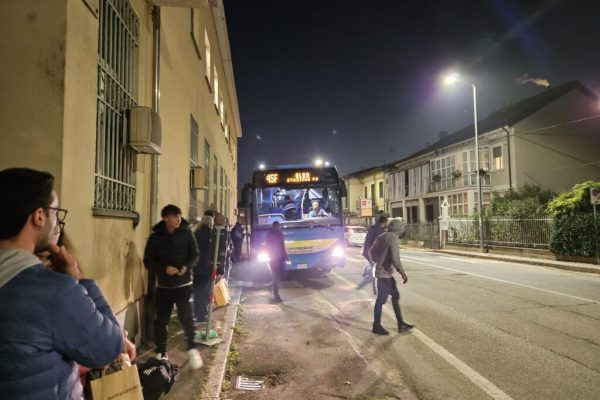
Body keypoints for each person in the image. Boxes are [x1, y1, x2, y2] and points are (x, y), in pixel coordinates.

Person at [0, 168, 127, 399]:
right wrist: (79, 282)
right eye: (55, 213)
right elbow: (108, 347)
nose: (57, 221)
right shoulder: (54, 292)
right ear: (39, 216)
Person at [143, 204, 203, 369]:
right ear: (165, 218)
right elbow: (148, 261)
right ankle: (161, 352)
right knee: (161, 321)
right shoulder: (156, 237)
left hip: (184, 285)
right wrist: (164, 268)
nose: (178, 219)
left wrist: (187, 266)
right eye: (174, 216)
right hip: (164, 287)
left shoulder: (186, 233)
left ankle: (192, 349)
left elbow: (195, 254)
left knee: (187, 319)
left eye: (179, 215)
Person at [368, 218, 413, 335]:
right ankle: (376, 326)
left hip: (383, 273)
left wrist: (377, 262)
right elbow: (396, 259)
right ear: (400, 229)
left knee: (395, 296)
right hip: (384, 275)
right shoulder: (393, 239)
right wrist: (403, 274)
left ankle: (400, 323)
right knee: (380, 301)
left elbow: (371, 252)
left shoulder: (382, 236)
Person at [356, 215, 388, 291]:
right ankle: (359, 286)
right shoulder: (380, 231)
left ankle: (373, 285)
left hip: (366, 253)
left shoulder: (372, 228)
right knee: (372, 274)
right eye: (386, 222)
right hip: (372, 255)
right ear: (384, 222)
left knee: (373, 271)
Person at [193, 215, 214, 323]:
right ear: (210, 224)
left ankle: (197, 313)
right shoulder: (211, 235)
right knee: (205, 292)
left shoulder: (196, 233)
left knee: (198, 291)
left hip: (196, 267)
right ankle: (202, 314)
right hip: (207, 268)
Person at [265, 221, 288, 302]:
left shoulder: (278, 234)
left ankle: (273, 288)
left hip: (278, 258)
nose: (279, 227)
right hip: (274, 259)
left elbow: (282, 246)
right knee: (275, 277)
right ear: (275, 226)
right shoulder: (272, 234)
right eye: (278, 226)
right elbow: (268, 246)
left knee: (277, 276)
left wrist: (286, 257)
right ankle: (276, 295)